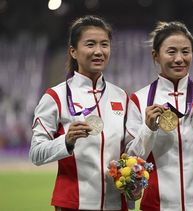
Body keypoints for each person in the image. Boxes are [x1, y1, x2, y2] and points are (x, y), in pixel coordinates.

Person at [29, 15, 129, 211]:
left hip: (116, 205)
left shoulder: (121, 96)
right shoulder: (55, 96)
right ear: (73, 52)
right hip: (73, 204)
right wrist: (66, 141)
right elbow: (36, 154)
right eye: (90, 44)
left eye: (104, 45)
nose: (99, 51)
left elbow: (129, 150)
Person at [125, 21, 193, 211]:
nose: (179, 58)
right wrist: (148, 129)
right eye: (171, 52)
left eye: (185, 51)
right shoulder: (139, 100)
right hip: (157, 205)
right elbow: (132, 159)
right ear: (156, 55)